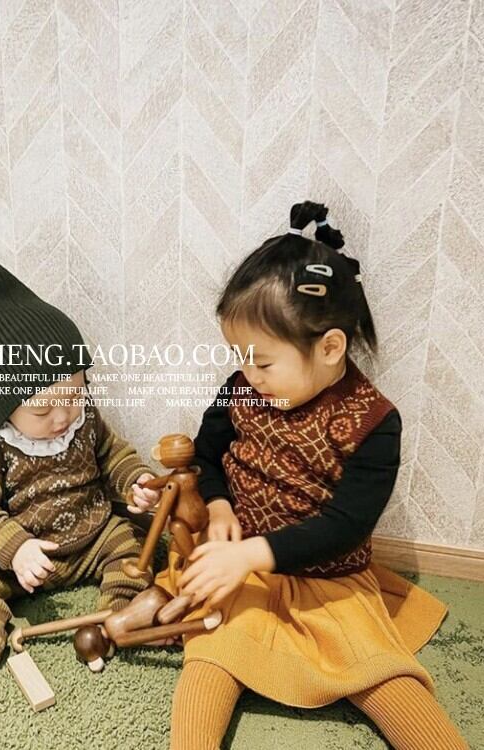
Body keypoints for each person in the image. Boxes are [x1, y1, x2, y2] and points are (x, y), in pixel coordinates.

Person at [156, 201, 469, 749]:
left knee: (382, 672)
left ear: (329, 348)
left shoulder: (374, 422)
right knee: (210, 654)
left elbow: (346, 525)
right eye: (240, 357)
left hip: (331, 582)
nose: (248, 375)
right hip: (245, 576)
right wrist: (220, 504)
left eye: (263, 362)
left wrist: (252, 555)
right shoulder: (239, 388)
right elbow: (207, 453)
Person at [0, 255, 160, 686]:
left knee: (135, 543)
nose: (62, 417)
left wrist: (136, 481)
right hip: (26, 555)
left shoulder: (83, 419)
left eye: (74, 397)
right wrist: (16, 548)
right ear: (4, 404)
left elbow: (113, 454)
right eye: (42, 410)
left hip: (93, 536)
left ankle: (119, 618)